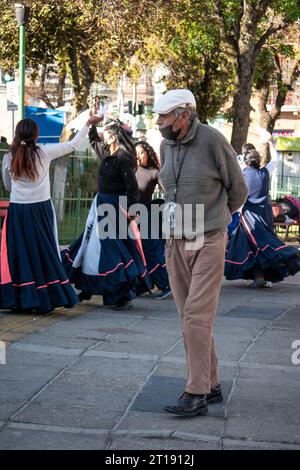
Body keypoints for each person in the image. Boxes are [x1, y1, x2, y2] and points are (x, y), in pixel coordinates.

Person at [153, 89, 248, 416]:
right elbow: (168, 189)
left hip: (207, 239)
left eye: (164, 117)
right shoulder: (165, 146)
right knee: (190, 318)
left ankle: (196, 393)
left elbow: (239, 189)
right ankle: (214, 384)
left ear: (183, 115)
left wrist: (216, 221)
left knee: (196, 316)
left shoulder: (212, 140)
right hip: (175, 240)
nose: (159, 122)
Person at [0, 114, 101, 314]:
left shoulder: (9, 156)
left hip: (18, 210)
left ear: (17, 134)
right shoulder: (43, 152)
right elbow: (72, 145)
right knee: (43, 250)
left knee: (20, 253)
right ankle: (46, 295)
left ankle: (21, 298)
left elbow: (7, 185)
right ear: (36, 135)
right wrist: (87, 124)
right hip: (40, 209)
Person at [62, 120, 151, 310]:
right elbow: (94, 140)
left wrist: (131, 210)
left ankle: (121, 295)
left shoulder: (123, 157)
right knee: (91, 247)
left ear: (113, 136)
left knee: (113, 250)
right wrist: (92, 122)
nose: (103, 137)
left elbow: (132, 188)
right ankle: (89, 286)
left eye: (106, 134)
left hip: (113, 207)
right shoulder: (108, 153)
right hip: (100, 205)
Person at [225, 147, 300, 287]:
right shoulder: (265, 172)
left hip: (250, 215)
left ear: (247, 162)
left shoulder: (242, 174)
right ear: (258, 161)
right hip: (265, 214)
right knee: (256, 244)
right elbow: (276, 160)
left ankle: (269, 269)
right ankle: (260, 276)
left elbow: (236, 191)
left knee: (256, 244)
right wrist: (271, 143)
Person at [135, 140, 171, 299]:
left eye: (141, 152)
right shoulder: (129, 169)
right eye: (135, 153)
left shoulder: (154, 172)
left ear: (148, 154)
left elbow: (168, 192)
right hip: (127, 215)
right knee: (134, 251)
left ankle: (165, 284)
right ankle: (142, 284)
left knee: (149, 251)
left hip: (146, 216)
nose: (137, 156)